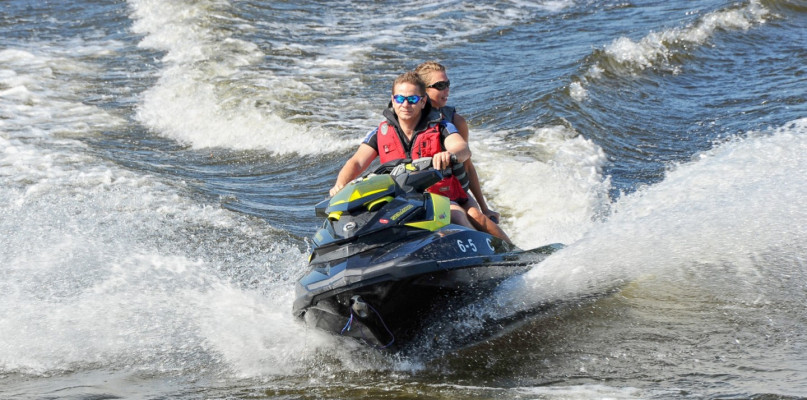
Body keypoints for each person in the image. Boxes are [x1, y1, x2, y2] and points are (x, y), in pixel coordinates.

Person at [329, 71, 476, 229]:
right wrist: (340, 184)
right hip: (398, 201)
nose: (405, 105)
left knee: (459, 216)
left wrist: (449, 154)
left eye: (412, 99)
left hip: (438, 197)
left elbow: (462, 148)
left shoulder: (442, 127)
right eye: (400, 99)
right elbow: (357, 162)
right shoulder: (381, 132)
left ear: (423, 101)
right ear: (393, 100)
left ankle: (501, 249)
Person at [415, 61, 511, 243]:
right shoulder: (409, 122)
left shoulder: (456, 122)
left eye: (447, 84)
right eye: (440, 86)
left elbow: (467, 166)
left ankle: (513, 253)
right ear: (423, 91)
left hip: (453, 190)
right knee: (457, 217)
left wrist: (485, 207)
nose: (447, 90)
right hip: (424, 194)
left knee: (476, 216)